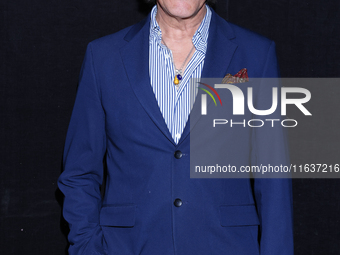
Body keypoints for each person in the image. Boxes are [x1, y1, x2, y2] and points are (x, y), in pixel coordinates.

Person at [58, 0, 294, 254]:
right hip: (128, 247)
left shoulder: (257, 54)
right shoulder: (103, 56)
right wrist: (87, 247)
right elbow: (79, 172)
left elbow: (273, 178)